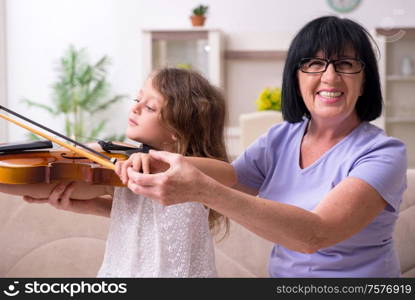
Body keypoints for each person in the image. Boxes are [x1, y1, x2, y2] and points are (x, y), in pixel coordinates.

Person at [120, 16, 408, 277]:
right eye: (314, 64)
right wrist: (146, 160)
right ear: (296, 78)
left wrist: (202, 188)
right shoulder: (279, 139)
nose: (330, 77)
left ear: (365, 79)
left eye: (345, 64)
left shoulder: (384, 153)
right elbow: (227, 179)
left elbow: (315, 235)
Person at [0, 68, 236, 277]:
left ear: (177, 129)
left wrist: (157, 162)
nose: (134, 108)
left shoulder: (193, 179)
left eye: (150, 107)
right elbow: (47, 180)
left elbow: (227, 174)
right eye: (138, 99)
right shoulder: (119, 169)